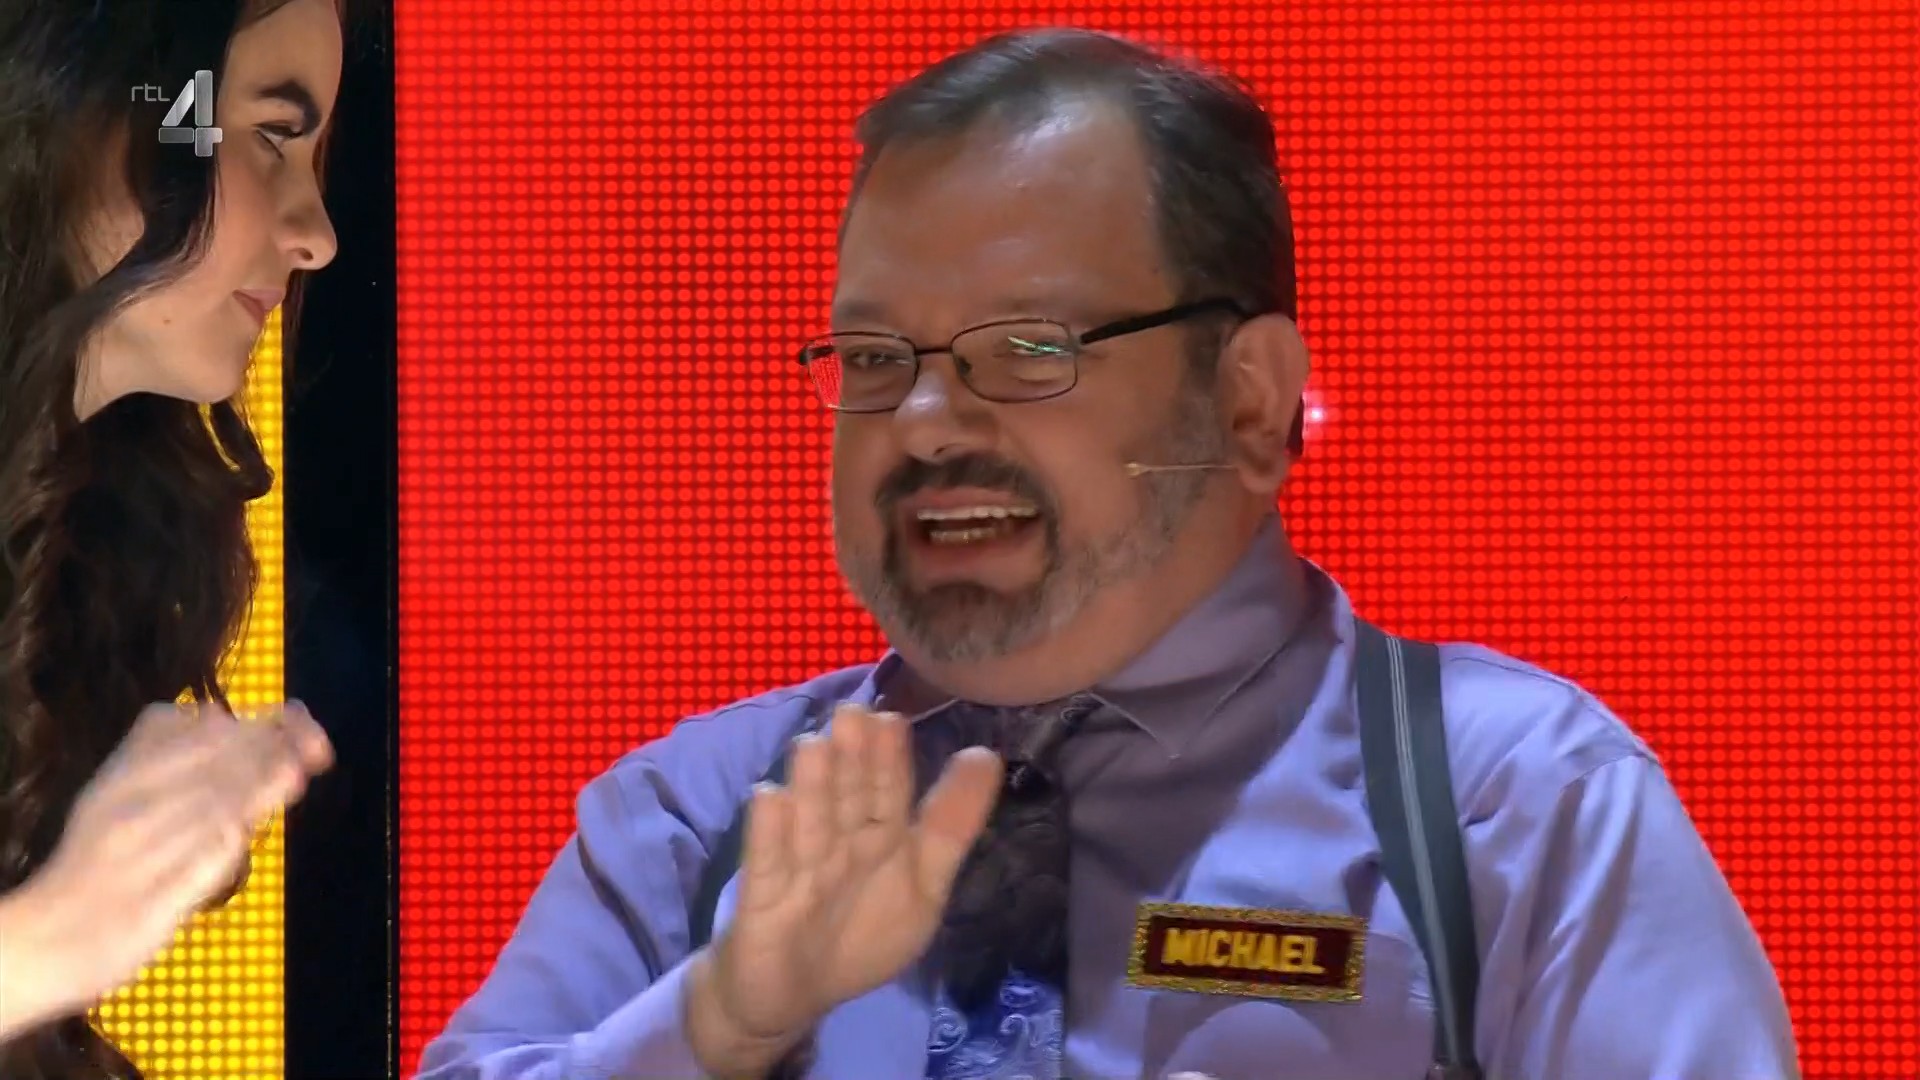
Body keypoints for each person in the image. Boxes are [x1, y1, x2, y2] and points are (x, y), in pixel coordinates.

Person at [418, 28, 1799, 1080]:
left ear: (1249, 401)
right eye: (875, 356)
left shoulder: (1517, 803)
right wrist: (712, 1028)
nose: (921, 421)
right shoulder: (700, 816)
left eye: (1029, 348)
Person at [0, 0, 343, 1076]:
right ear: (101, 108)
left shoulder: (95, 547)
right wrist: (45, 942)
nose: (317, 235)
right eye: (272, 136)